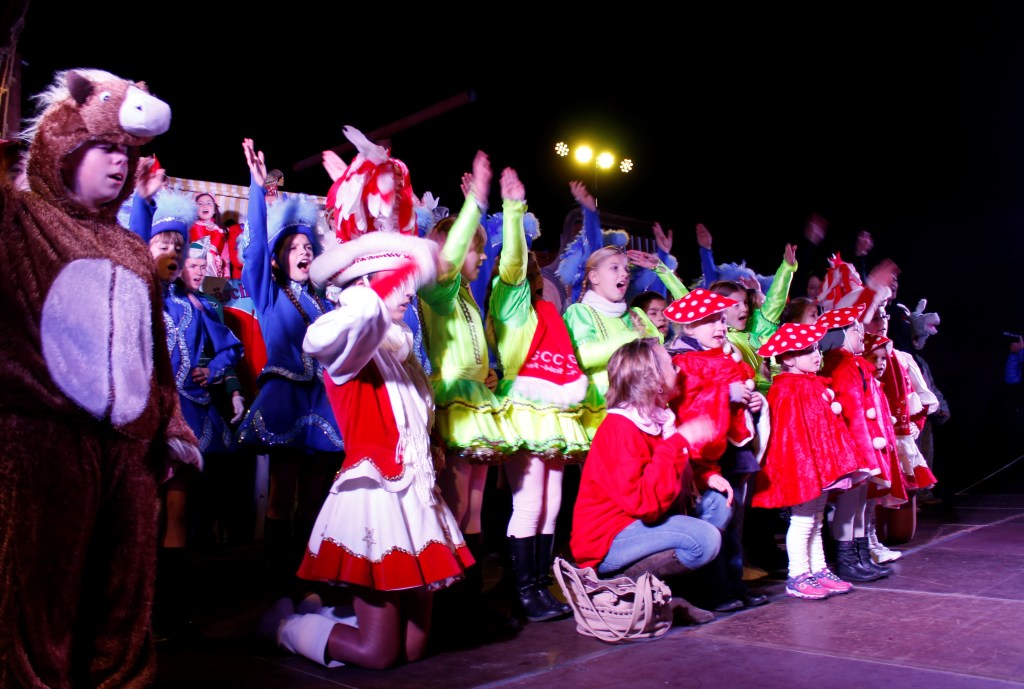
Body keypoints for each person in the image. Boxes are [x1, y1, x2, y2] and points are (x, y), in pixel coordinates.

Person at [0, 68, 198, 688]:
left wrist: (171, 424)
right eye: (105, 148)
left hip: (130, 455)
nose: (119, 162)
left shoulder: (133, 250)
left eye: (125, 151)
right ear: (64, 146)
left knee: (122, 603)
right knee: (41, 600)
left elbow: (152, 355)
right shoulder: (22, 221)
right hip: (45, 446)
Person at [260, 228, 473, 670]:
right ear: (363, 287)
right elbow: (329, 334)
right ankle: (284, 627)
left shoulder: (401, 353)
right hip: (374, 499)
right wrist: (395, 273)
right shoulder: (349, 344)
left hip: (416, 500)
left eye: (410, 287)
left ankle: (321, 614)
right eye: (400, 285)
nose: (408, 295)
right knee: (377, 655)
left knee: (412, 651)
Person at [237, 139, 344, 605]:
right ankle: (279, 581)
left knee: (317, 494)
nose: (302, 252)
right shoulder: (268, 291)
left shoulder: (324, 301)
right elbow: (255, 250)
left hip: (320, 400)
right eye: (293, 247)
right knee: (282, 493)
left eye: (307, 246)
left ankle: (309, 576)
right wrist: (256, 189)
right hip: (285, 398)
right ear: (280, 257)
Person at [417, 150, 515, 618]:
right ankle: (447, 604)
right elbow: (450, 262)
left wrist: (487, 372)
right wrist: (475, 203)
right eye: (475, 248)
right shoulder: (437, 291)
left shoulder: (470, 299)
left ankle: (469, 600)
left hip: (476, 403)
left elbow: (475, 350)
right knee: (455, 505)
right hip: (452, 404)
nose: (482, 255)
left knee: (475, 505)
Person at [570, 338, 728, 623]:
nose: (678, 369)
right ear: (655, 382)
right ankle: (617, 587)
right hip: (610, 539)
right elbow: (646, 505)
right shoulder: (620, 428)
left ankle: (673, 595)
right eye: (670, 365)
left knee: (717, 504)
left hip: (641, 525)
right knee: (704, 540)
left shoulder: (658, 420)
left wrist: (706, 476)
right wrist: (680, 441)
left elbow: (669, 475)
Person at [488, 167, 586, 622]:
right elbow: (511, 262)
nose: (529, 262)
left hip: (554, 407)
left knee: (552, 503)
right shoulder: (509, 301)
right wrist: (513, 210)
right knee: (528, 503)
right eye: (524, 257)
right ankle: (522, 590)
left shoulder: (546, 308)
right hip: (524, 406)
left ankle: (541, 586)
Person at [663, 288, 768, 612]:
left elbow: (743, 387)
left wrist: (752, 400)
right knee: (715, 519)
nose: (720, 326)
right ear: (689, 327)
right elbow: (687, 407)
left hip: (736, 447)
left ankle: (734, 583)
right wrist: (725, 394)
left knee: (736, 522)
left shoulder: (725, 355)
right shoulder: (683, 361)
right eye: (710, 321)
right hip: (706, 454)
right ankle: (713, 589)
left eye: (721, 319)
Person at [753, 323, 872, 599]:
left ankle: (818, 570)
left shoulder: (812, 384)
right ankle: (798, 575)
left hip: (820, 465)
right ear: (788, 358)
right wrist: (807, 469)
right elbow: (790, 436)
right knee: (803, 520)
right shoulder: (786, 389)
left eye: (817, 348)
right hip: (803, 468)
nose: (816, 355)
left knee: (816, 519)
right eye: (807, 350)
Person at [818, 305, 897, 583]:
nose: (861, 334)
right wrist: (864, 454)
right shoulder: (842, 366)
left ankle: (861, 557)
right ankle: (846, 561)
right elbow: (852, 412)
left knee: (860, 504)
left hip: (864, 448)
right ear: (839, 335)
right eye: (854, 330)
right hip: (855, 448)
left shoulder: (854, 364)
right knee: (849, 505)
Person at [563, 245, 662, 440]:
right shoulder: (580, 312)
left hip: (641, 410)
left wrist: (661, 270)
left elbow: (660, 350)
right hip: (601, 413)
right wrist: (632, 339)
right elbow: (584, 356)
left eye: (626, 269)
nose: (624, 273)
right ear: (594, 277)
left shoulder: (636, 315)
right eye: (614, 268)